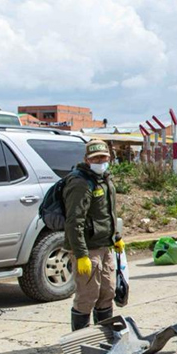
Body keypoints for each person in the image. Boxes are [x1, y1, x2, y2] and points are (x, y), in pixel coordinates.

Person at [64, 139, 123, 330]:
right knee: (87, 295)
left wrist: (116, 237)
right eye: (95, 158)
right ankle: (81, 340)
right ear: (86, 159)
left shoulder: (105, 179)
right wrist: (80, 255)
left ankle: (104, 335)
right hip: (88, 249)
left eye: (103, 157)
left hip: (105, 246)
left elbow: (108, 213)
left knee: (107, 292)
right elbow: (74, 221)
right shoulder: (80, 183)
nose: (100, 161)